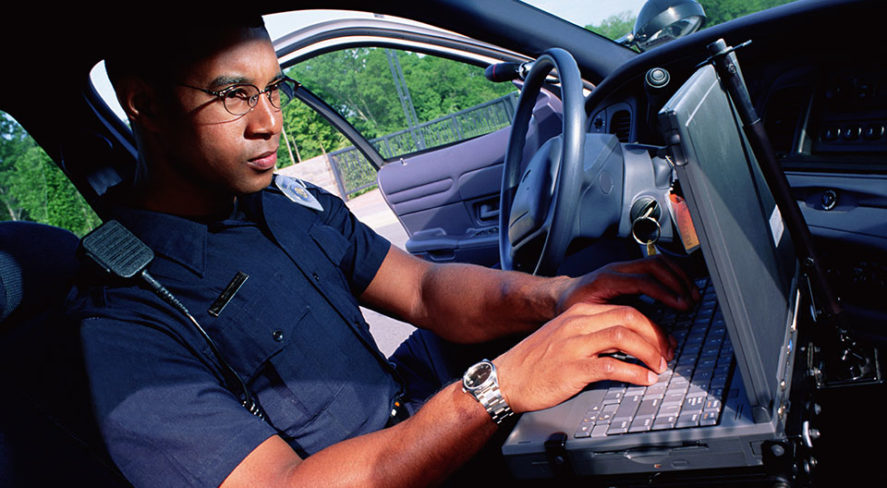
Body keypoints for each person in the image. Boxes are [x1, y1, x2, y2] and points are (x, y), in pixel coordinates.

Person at [67, 15, 699, 487]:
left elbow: (424, 289)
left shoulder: (283, 202)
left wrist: (557, 296)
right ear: (145, 104)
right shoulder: (124, 318)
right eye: (234, 95)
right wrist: (500, 387)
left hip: (431, 415)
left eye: (273, 89)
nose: (269, 122)